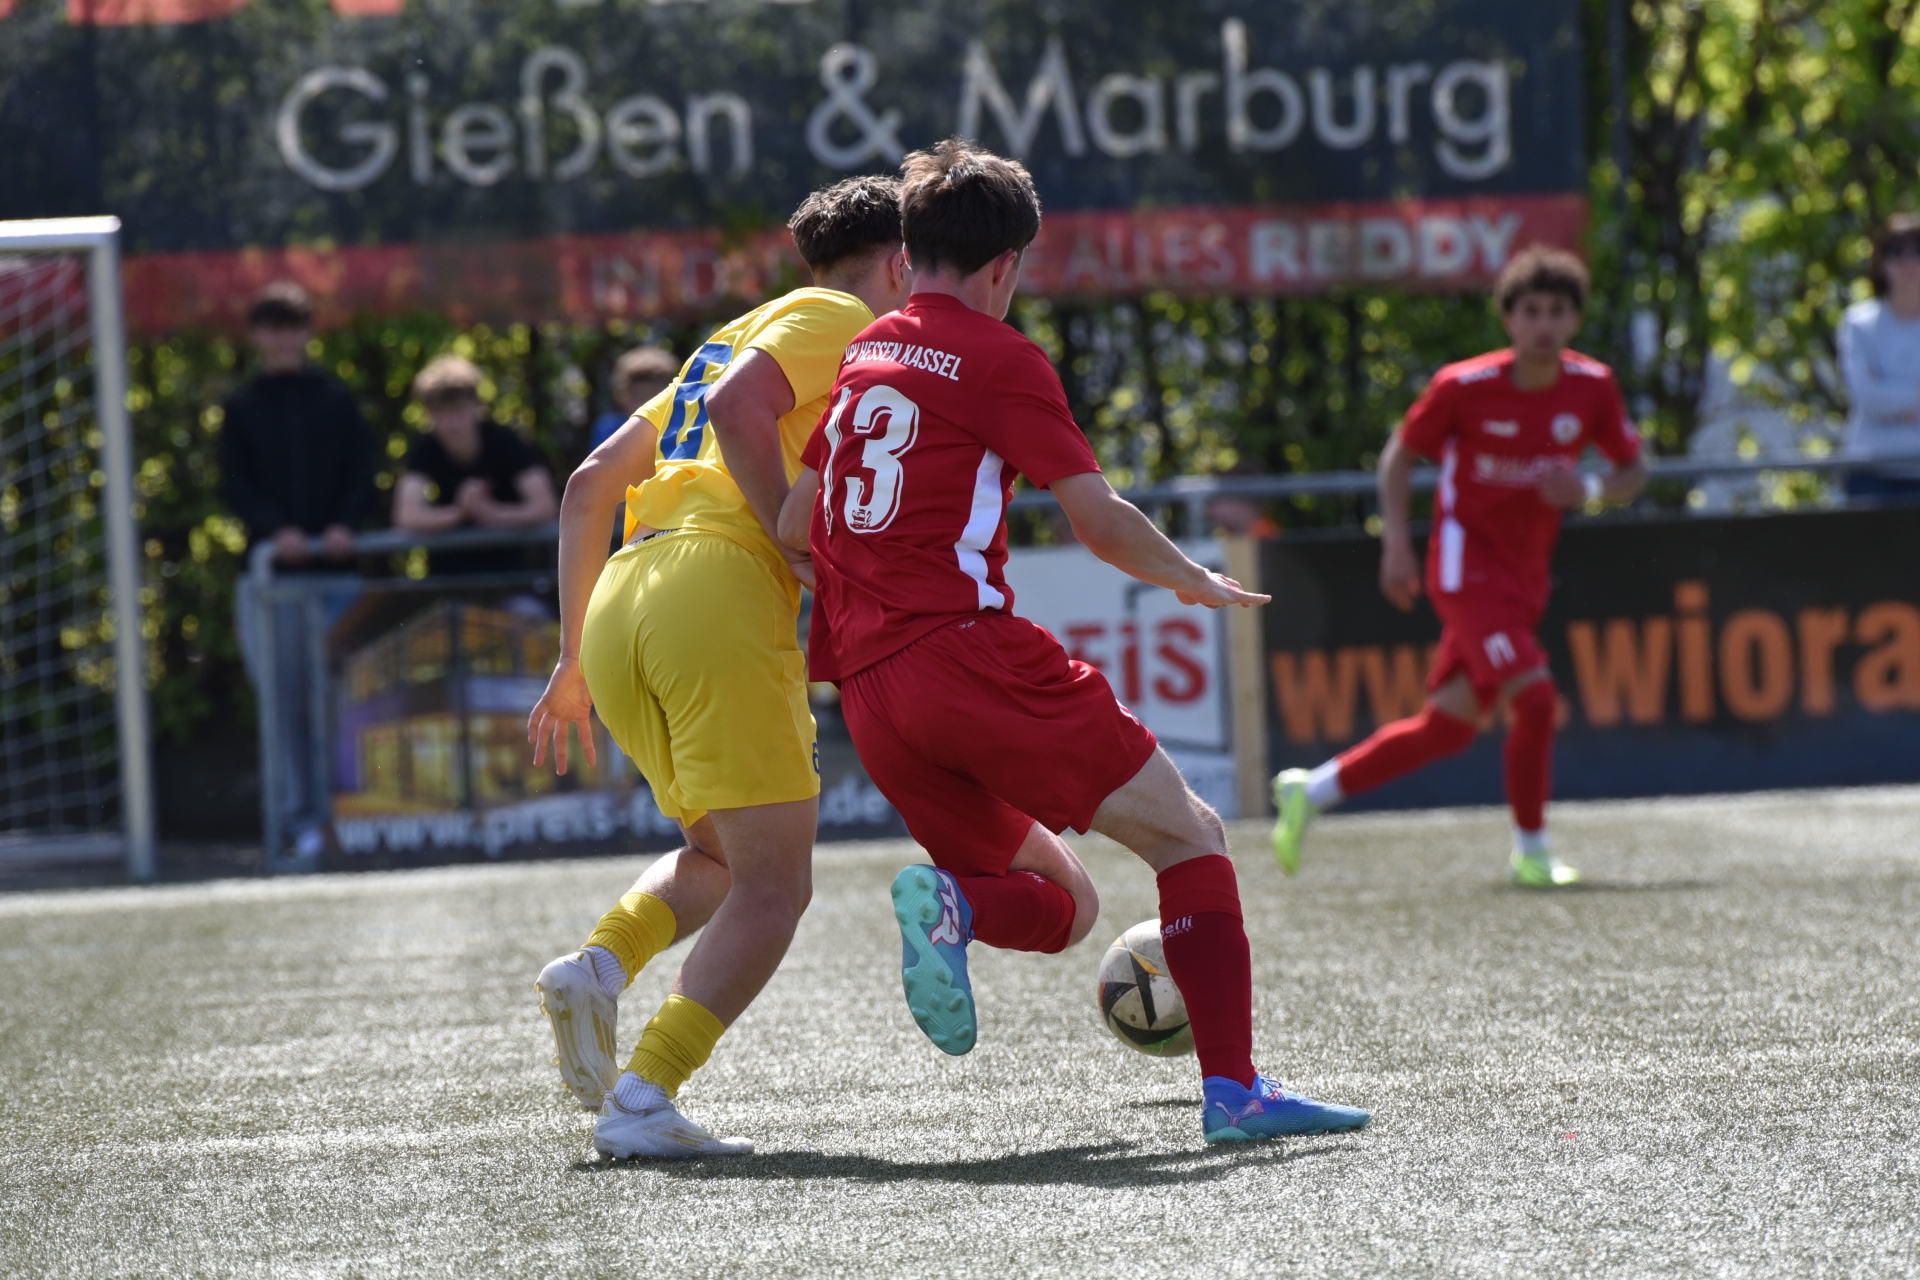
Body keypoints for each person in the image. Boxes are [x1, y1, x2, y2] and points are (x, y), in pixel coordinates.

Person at [779, 139, 1370, 1145]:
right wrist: (1189, 577)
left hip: (869, 690)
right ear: (1007, 265)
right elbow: (1097, 519)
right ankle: (1235, 1092)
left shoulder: (865, 353)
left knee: (1065, 902)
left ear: (908, 253)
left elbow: (798, 524)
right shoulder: (1000, 356)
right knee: (1192, 836)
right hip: (968, 660)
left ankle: (958, 907)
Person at [523, 175, 912, 1160]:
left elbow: (589, 485)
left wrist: (572, 657)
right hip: (716, 590)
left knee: (722, 857)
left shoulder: (730, 336)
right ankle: (645, 1095)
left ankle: (599, 964)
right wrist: (786, 537)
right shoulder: (846, 319)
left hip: (624, 595)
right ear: (902, 262)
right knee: (776, 889)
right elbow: (752, 426)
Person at [1270, 246, 1650, 889]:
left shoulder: (1592, 386)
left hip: (1524, 579)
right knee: (1535, 699)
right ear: (1508, 318)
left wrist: (1588, 487)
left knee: (1446, 730)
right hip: (1464, 568)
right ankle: (1531, 851)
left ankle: (1312, 790)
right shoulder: (1463, 386)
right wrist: (1395, 544)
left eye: (1557, 312)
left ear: (1575, 319)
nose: (1544, 324)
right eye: (1531, 311)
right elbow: (1398, 458)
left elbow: (1633, 471)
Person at [220, 281, 376, 860]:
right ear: (258, 335)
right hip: (272, 587)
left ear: (308, 332)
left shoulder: (337, 399)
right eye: (273, 327)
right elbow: (234, 485)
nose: (284, 339)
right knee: (283, 705)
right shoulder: (241, 407)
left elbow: (363, 473)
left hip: (336, 580)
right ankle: (299, 822)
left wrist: (343, 525)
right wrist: (275, 531)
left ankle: (349, 815)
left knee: (342, 700)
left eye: (294, 326)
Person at [393, 356, 558, 575]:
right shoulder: (424, 448)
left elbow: (546, 506)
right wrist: (459, 512)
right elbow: (406, 515)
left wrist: (493, 513)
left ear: (477, 405)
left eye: (456, 409)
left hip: (509, 577)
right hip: (446, 580)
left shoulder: (505, 441)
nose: (450, 423)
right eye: (439, 411)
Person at [1839, 213, 1920, 502]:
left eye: (1918, 250)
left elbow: (1879, 396)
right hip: (1872, 474)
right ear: (1881, 262)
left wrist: (1890, 395)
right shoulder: (1858, 323)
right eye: (1896, 252)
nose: (1908, 262)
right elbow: (1867, 396)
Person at [588, 347, 678, 452]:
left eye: (655, 398)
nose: (645, 406)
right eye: (638, 396)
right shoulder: (609, 428)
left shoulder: (679, 428)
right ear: (620, 396)